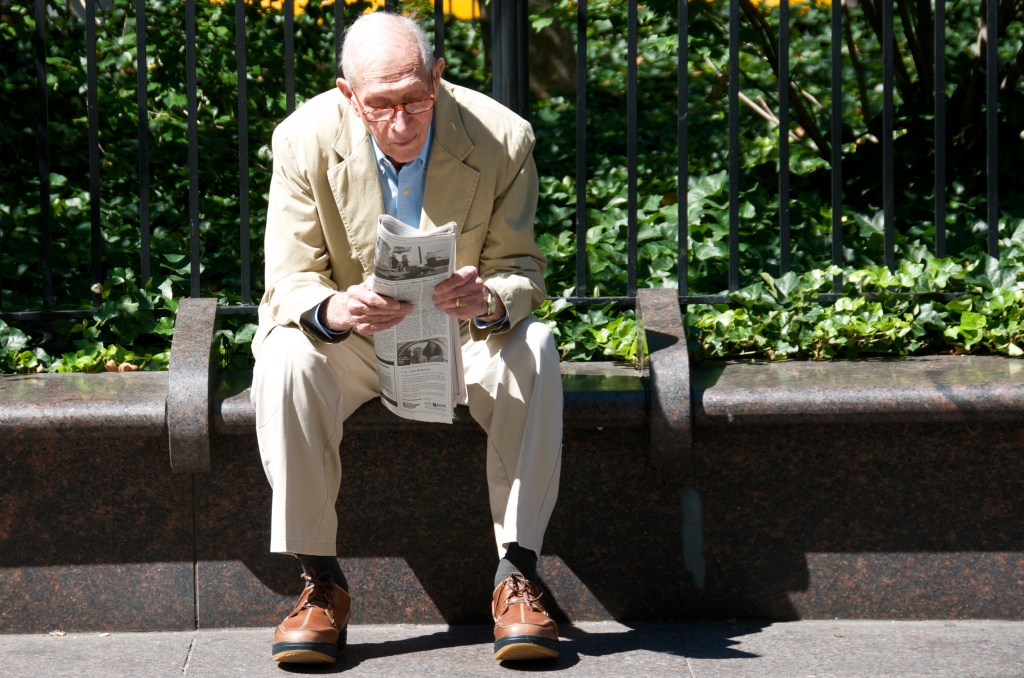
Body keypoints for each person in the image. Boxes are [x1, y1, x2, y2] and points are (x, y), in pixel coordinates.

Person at [250, 12, 564, 666]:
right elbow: (288, 282)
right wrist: (335, 308)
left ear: (438, 78)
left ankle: (517, 575)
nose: (400, 122)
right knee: (283, 355)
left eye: (415, 100)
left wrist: (490, 299)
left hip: (465, 336)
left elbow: (524, 271)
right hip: (358, 340)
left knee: (537, 348)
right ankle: (321, 584)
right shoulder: (302, 138)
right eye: (381, 106)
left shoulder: (503, 136)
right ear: (347, 95)